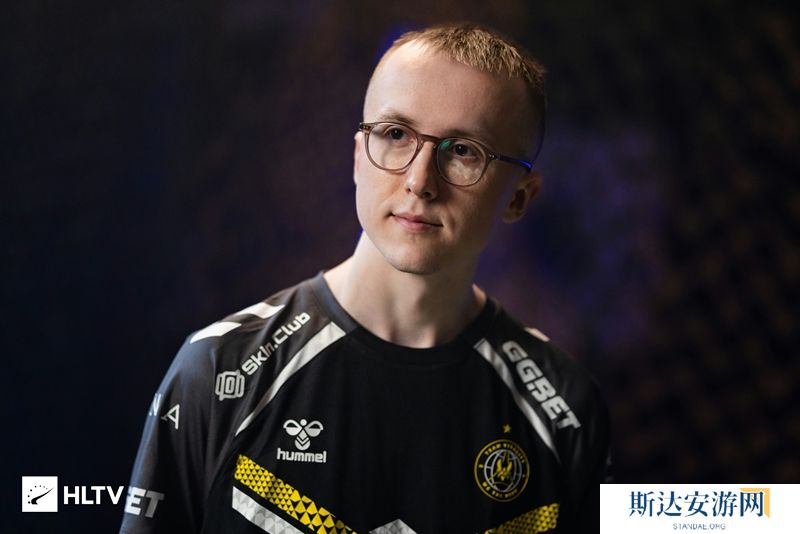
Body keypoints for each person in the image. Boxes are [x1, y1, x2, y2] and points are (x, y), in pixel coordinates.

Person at [120, 22, 611, 534]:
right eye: (396, 135)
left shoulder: (566, 408)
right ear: (358, 158)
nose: (420, 181)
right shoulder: (218, 371)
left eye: (464, 150)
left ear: (519, 198)